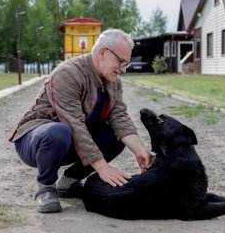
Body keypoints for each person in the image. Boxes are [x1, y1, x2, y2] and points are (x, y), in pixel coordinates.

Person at [9, 28, 153, 213]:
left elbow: (120, 117)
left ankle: (68, 183)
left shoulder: (113, 81)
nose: (124, 69)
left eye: (127, 64)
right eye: (121, 62)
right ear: (102, 53)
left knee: (114, 137)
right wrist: (102, 167)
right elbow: (74, 124)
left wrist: (140, 151)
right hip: (36, 141)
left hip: (70, 140)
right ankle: (45, 188)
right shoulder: (68, 73)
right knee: (59, 132)